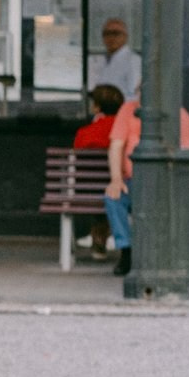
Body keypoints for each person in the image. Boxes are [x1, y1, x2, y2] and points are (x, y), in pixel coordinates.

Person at [105, 91, 189, 277]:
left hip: (167, 183)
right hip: (133, 182)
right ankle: (127, 251)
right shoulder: (128, 110)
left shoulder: (178, 114)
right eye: (140, 91)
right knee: (113, 198)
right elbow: (116, 146)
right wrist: (116, 179)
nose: (144, 96)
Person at [71, 83, 124, 261]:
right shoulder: (123, 131)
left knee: (101, 192)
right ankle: (105, 237)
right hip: (119, 189)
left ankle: (99, 241)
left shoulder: (85, 132)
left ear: (97, 107)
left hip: (86, 190)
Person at [90, 16, 142, 99]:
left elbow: (135, 96)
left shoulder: (133, 61)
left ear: (125, 36)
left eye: (115, 33)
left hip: (122, 110)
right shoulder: (103, 60)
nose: (110, 38)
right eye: (106, 34)